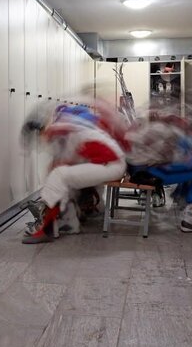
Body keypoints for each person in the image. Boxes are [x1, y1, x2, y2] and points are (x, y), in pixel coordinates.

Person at [21, 103, 127, 244]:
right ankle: (69, 223)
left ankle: (47, 230)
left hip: (111, 165)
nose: (41, 142)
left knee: (58, 176)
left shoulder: (60, 131)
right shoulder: (68, 127)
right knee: (61, 178)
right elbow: (71, 158)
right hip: (111, 163)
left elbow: (65, 161)